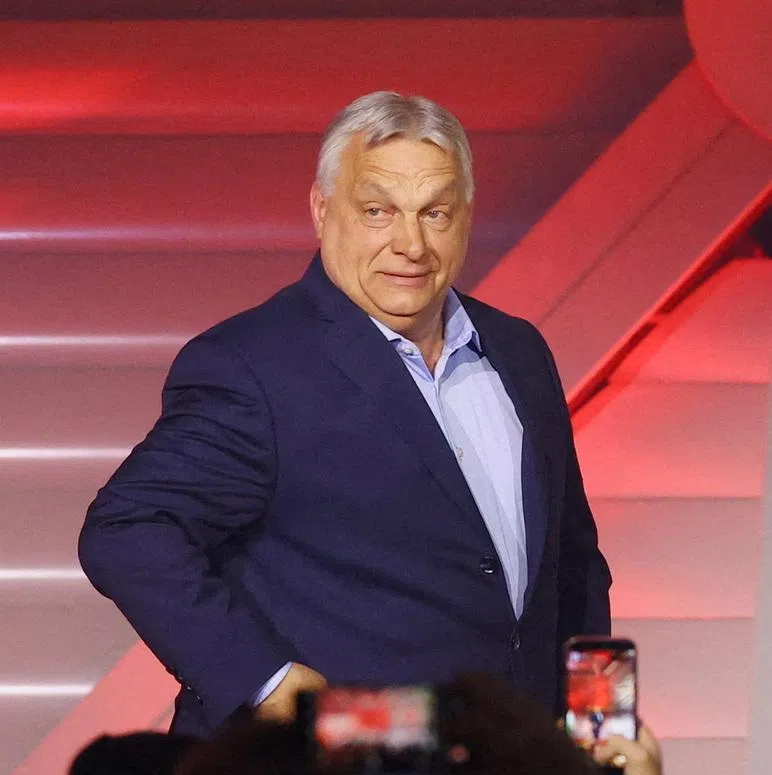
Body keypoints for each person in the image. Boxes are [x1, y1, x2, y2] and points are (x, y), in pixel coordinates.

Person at [79, 91, 611, 737]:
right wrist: (265, 682)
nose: (410, 244)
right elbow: (129, 529)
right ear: (323, 209)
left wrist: (602, 734)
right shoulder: (255, 366)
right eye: (378, 211)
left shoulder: (519, 349)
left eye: (434, 212)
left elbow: (574, 565)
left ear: (466, 215)